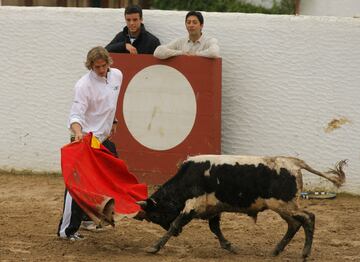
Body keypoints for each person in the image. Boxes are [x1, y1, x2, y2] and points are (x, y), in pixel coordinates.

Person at [57, 46, 122, 240]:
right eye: (97, 67)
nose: (101, 70)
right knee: (76, 186)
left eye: (104, 66)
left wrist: (113, 120)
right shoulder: (83, 85)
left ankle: (86, 217)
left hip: (102, 140)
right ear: (90, 66)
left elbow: (108, 102)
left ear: (109, 63)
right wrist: (77, 133)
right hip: (84, 140)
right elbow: (76, 114)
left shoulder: (117, 75)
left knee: (110, 174)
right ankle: (66, 230)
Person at [153, 11, 220, 59]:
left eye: (194, 22)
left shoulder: (209, 41)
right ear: (185, 25)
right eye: (188, 22)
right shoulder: (180, 41)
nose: (191, 25)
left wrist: (195, 54)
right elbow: (157, 52)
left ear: (201, 25)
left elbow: (214, 52)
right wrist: (181, 53)